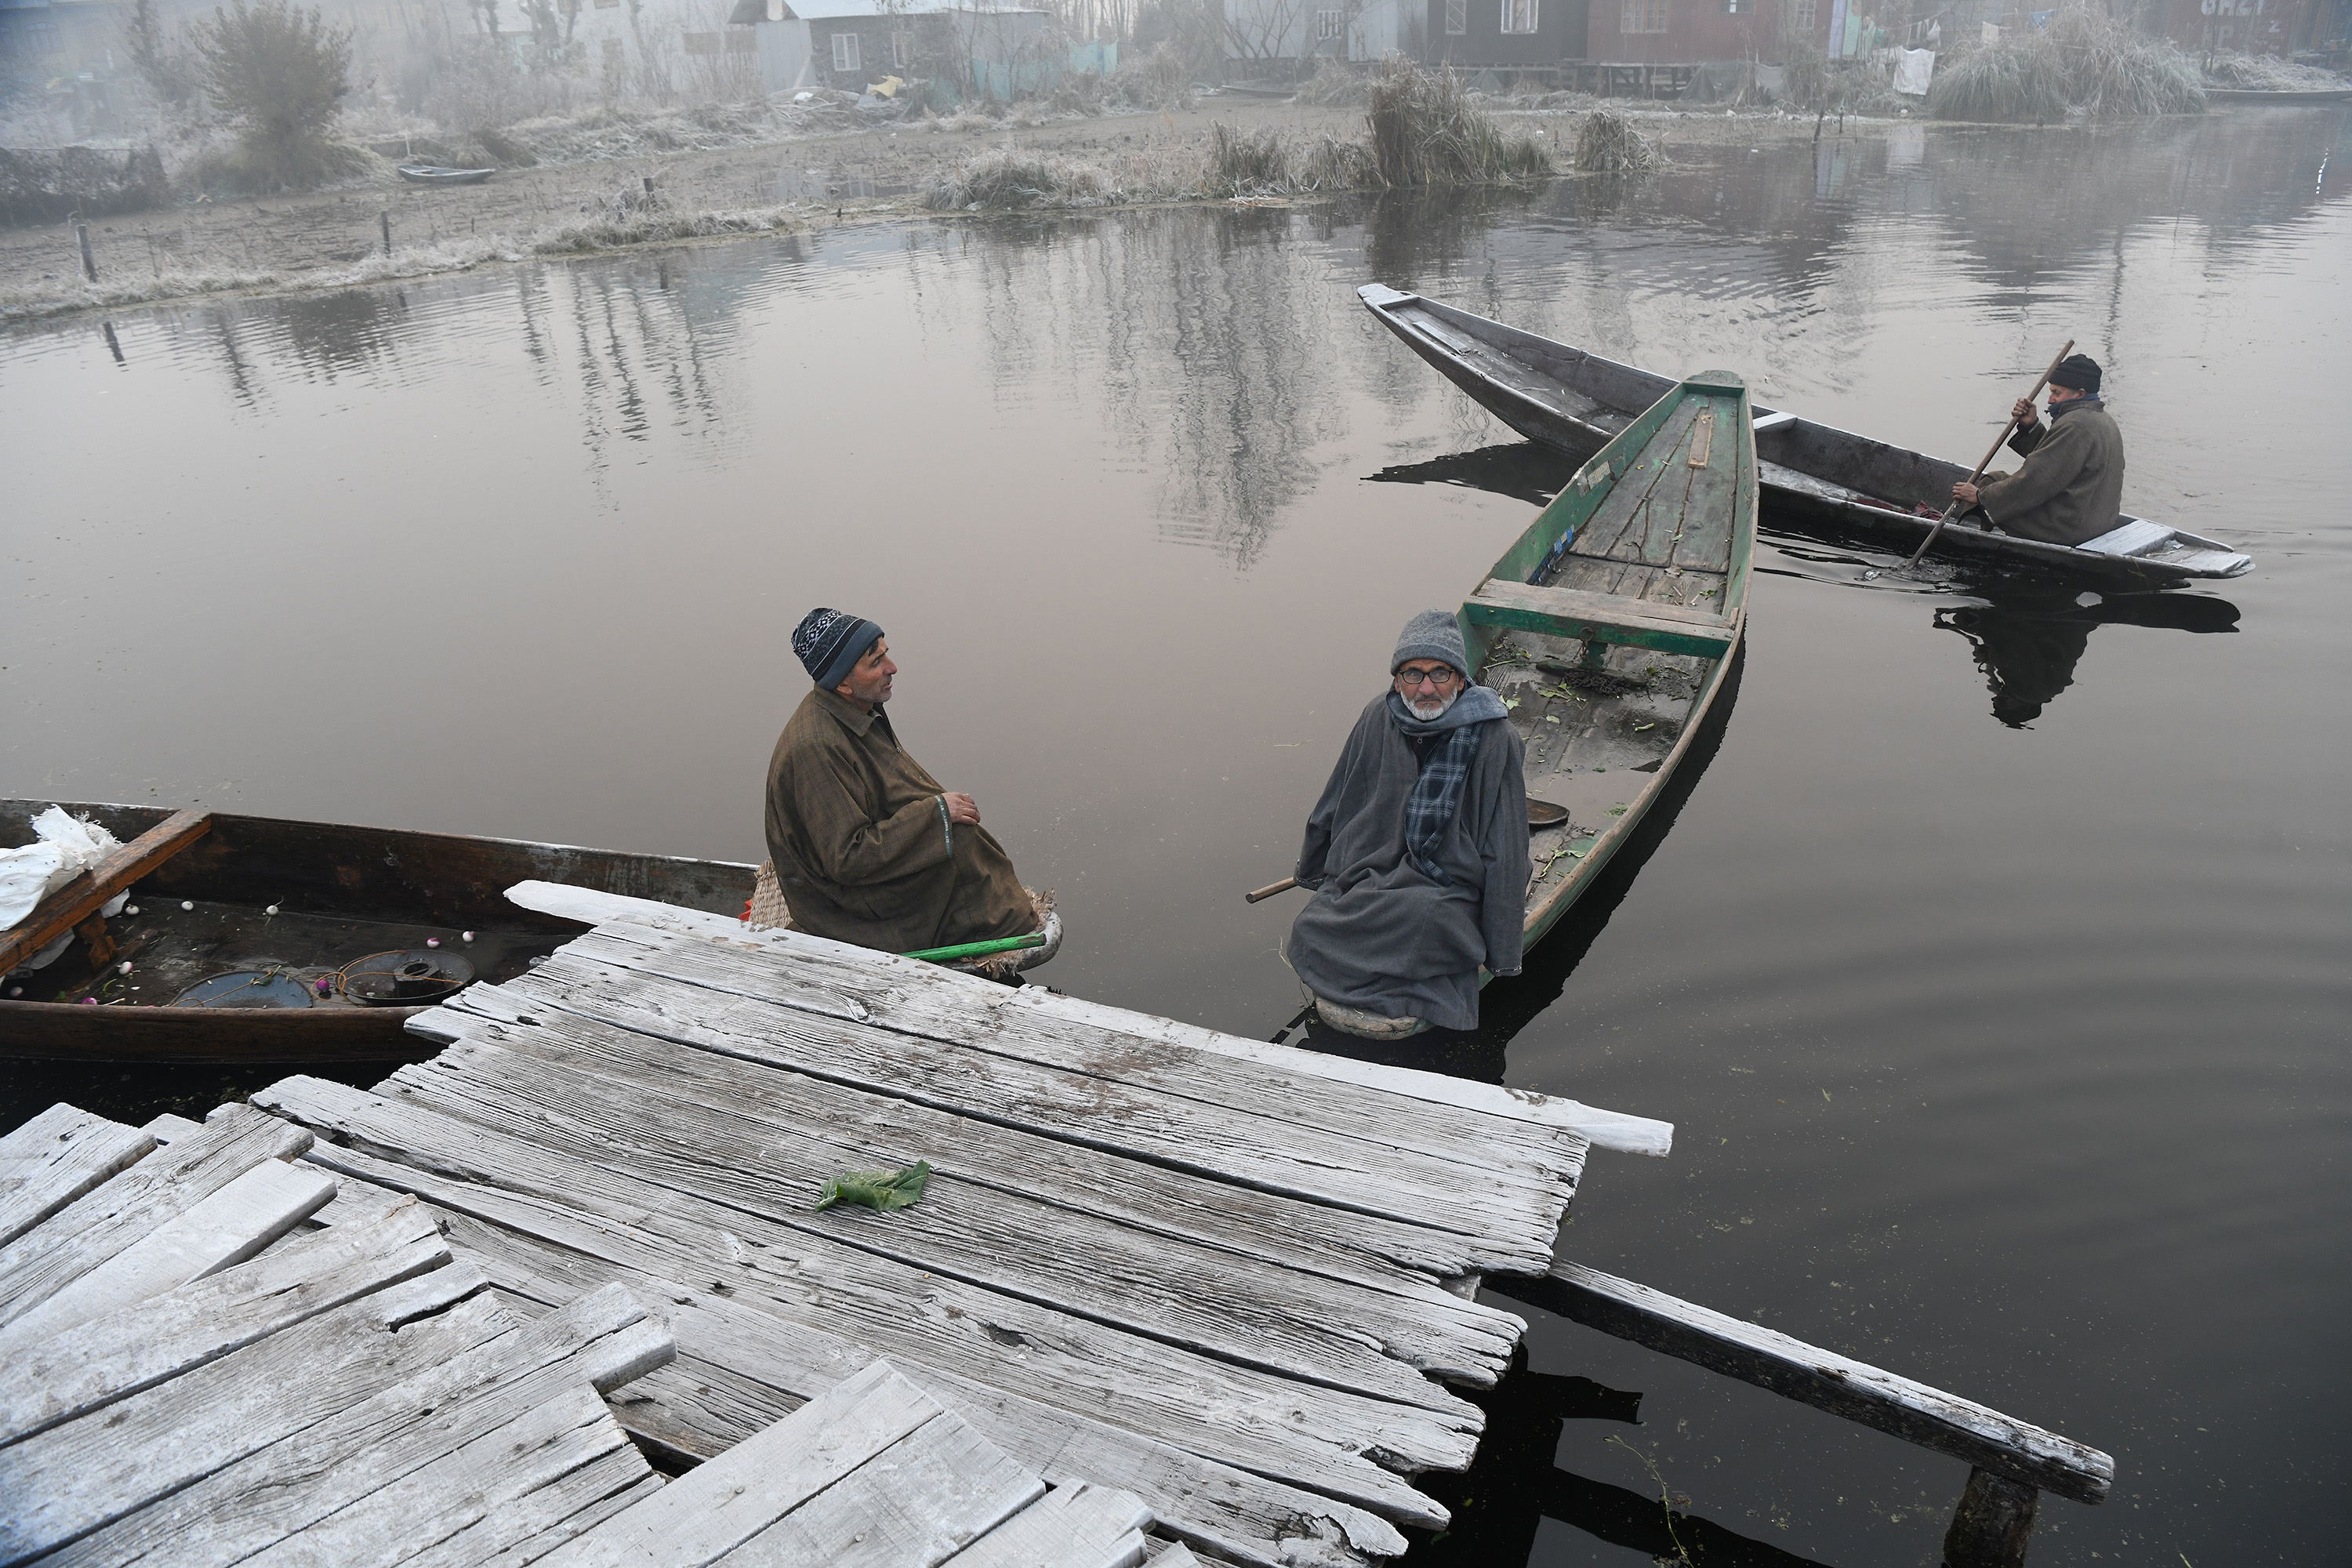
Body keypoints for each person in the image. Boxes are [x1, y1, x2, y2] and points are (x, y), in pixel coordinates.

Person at [1286, 611, 1529, 1038]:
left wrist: (1503, 949)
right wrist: (1316, 869)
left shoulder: (1496, 738)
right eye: (1413, 674)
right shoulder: (1377, 716)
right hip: (1374, 865)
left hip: (1447, 878)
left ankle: (1391, 980)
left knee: (1424, 918)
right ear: (1397, 681)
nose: (1427, 688)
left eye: (1440, 674)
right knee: (1313, 925)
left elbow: (1506, 846)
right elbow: (1338, 796)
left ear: (1460, 680)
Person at [763, 608, 1037, 954]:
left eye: (886, 654)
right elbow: (848, 859)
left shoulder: (855, 708)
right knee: (957, 841)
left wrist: (938, 816)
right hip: (846, 908)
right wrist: (935, 817)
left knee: (957, 833)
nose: (892, 668)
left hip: (860, 883)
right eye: (876, 662)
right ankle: (998, 933)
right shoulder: (816, 748)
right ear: (843, 683)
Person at [1951, 354, 2125, 547]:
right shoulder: (2103, 420)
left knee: (1991, 482)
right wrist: (2031, 425)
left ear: (2080, 393)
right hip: (2096, 523)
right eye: (2051, 392)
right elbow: (2060, 461)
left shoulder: (2075, 425)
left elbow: (2035, 480)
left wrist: (1980, 497)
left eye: (2057, 393)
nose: (2050, 400)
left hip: (2068, 529)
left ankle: (1969, 542)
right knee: (1997, 487)